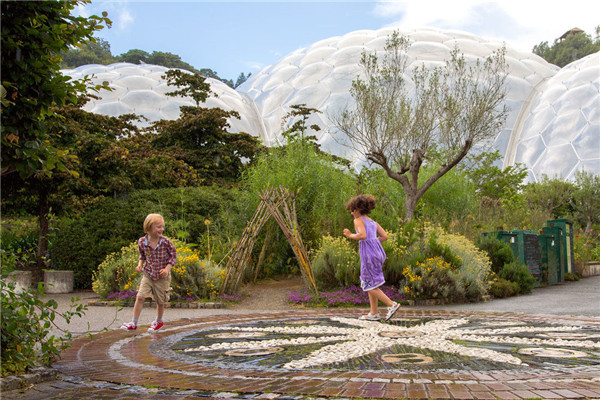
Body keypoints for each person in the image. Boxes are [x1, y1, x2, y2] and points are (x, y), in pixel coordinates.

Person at [343, 194, 400, 321]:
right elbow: (384, 236)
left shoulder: (358, 220)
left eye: (352, 210)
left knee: (367, 282)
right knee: (372, 282)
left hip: (368, 255)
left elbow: (362, 235)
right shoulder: (373, 222)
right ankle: (374, 312)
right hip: (378, 254)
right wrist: (373, 242)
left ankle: (391, 304)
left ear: (357, 209)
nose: (352, 213)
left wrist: (350, 235)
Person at [121, 213, 177, 332]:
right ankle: (134, 323)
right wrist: (140, 264)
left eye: (162, 226)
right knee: (140, 297)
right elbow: (142, 255)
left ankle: (159, 321)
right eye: (158, 227)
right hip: (148, 274)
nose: (161, 229)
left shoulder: (165, 242)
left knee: (160, 300)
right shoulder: (142, 242)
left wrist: (167, 269)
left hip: (162, 276)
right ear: (149, 228)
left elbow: (173, 256)